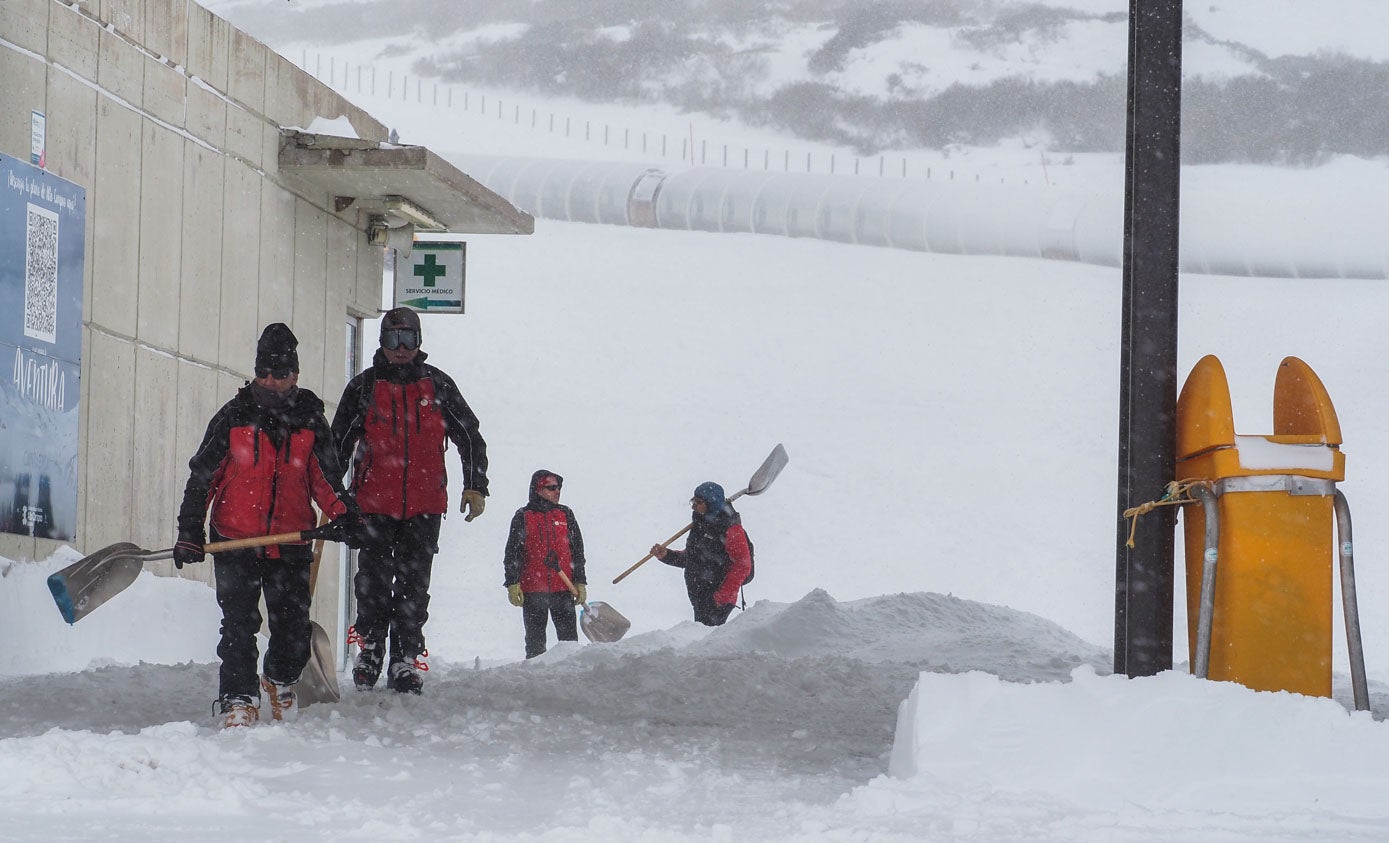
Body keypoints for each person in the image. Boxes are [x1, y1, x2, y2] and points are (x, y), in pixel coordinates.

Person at [174, 323, 361, 729]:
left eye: (280, 372)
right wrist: (190, 532)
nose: (271, 381)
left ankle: (278, 679)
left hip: (291, 541)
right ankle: (238, 698)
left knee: (293, 629)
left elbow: (325, 479)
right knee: (239, 626)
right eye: (264, 371)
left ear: (295, 374)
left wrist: (346, 515)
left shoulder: (311, 421)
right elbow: (202, 477)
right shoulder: (233, 416)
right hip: (236, 540)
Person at [331, 307, 489, 694]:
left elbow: (469, 435)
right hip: (372, 505)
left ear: (419, 342)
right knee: (371, 584)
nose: (400, 349)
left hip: (424, 505)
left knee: (413, 587)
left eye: (408, 340)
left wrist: (475, 484)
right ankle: (370, 650)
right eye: (392, 340)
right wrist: (332, 495)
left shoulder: (437, 386)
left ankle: (405, 658)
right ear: (382, 342)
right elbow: (336, 445)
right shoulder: (364, 388)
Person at [501, 470, 589, 658]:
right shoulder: (524, 516)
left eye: (558, 488)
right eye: (551, 488)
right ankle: (535, 682)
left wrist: (580, 580)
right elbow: (513, 553)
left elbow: (577, 551)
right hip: (533, 591)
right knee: (535, 645)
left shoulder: (565, 514)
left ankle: (571, 678)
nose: (557, 492)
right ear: (538, 489)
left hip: (563, 589)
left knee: (569, 645)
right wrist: (512, 583)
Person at [650, 481, 752, 626]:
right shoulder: (701, 523)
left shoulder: (731, 530)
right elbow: (693, 557)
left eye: (698, 502)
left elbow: (743, 566)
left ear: (711, 504)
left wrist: (720, 598)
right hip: (700, 594)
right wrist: (667, 555)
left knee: (708, 642)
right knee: (702, 638)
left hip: (716, 599)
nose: (694, 506)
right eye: (693, 501)